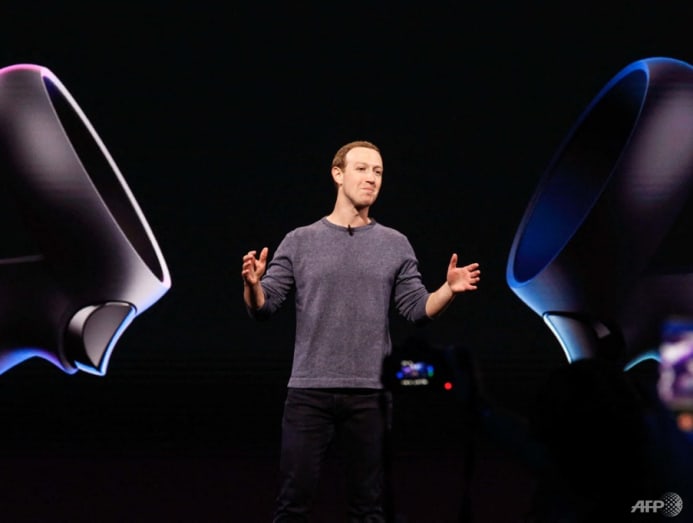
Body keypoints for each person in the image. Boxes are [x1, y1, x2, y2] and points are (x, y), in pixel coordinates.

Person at [241, 140, 481, 522]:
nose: (371, 178)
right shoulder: (300, 241)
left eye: (378, 172)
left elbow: (416, 309)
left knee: (369, 508)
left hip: (370, 395)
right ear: (337, 174)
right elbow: (264, 307)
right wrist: (253, 285)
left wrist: (448, 290)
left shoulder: (394, 244)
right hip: (310, 391)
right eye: (362, 169)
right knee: (292, 504)